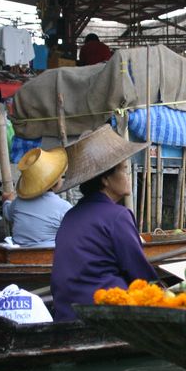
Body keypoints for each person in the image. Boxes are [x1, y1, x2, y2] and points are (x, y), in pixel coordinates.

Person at [51, 125, 158, 321]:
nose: (128, 176)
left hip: (65, 314)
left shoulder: (70, 216)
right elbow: (140, 275)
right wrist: (163, 294)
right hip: (103, 315)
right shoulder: (118, 216)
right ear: (106, 179)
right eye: (124, 169)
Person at [1, 147, 72, 247]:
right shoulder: (63, 207)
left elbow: (7, 212)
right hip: (50, 256)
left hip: (19, 255)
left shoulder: (18, 203)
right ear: (55, 182)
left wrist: (7, 200)